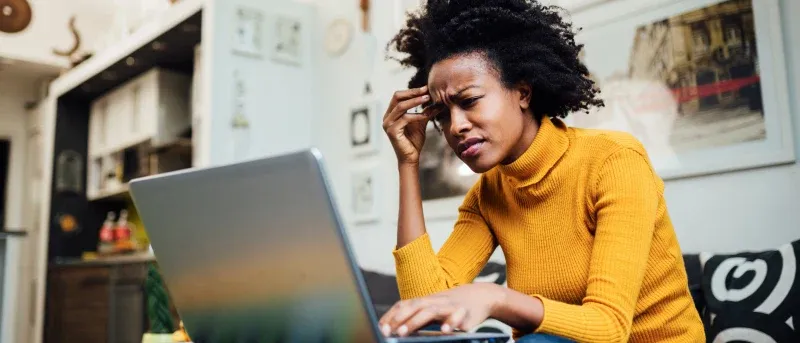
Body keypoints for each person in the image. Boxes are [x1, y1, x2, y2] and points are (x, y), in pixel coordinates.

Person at [378, 1, 706, 342]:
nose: (455, 126)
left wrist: (497, 298)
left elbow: (609, 327)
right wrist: (408, 164)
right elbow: (426, 305)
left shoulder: (614, 161)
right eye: (442, 116)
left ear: (522, 92)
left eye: (470, 101)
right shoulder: (489, 194)